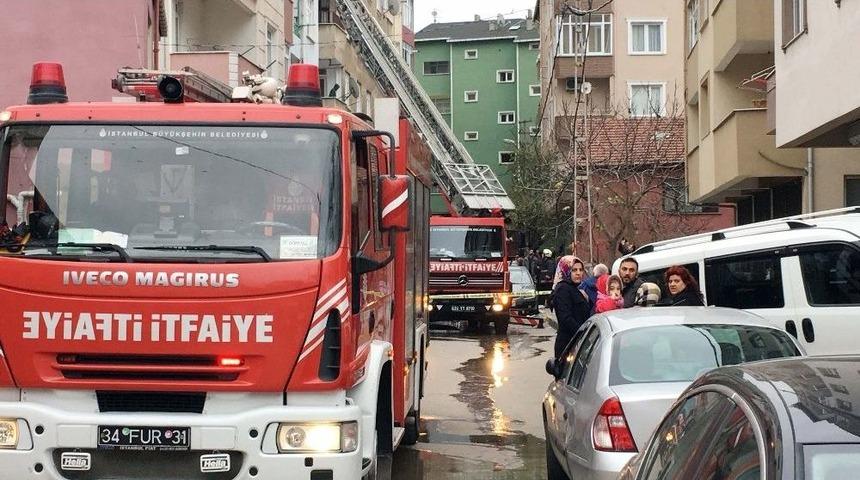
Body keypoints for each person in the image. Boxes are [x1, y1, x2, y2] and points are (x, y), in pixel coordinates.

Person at [552, 255, 591, 358]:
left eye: (581, 270)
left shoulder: (575, 289)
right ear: (566, 271)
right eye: (574, 270)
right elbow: (565, 318)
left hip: (577, 343)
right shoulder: (563, 289)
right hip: (568, 345)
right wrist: (582, 334)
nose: (579, 273)